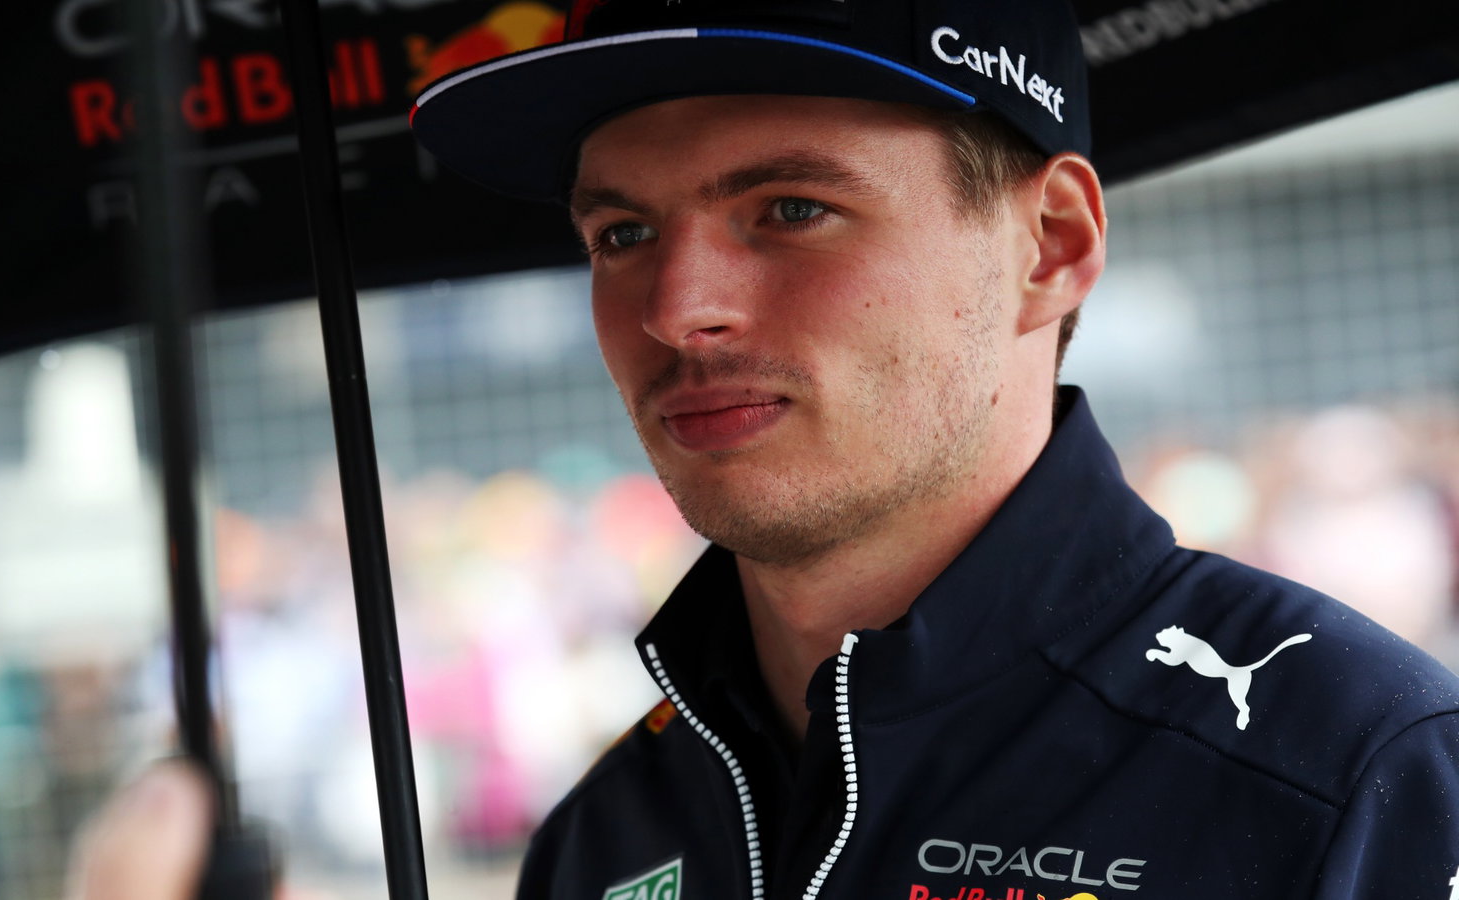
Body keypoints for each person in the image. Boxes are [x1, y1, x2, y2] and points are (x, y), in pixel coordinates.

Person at [71, 0, 1459, 896]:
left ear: (1049, 247)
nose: (677, 309)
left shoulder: (1362, 776)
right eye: (622, 232)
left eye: (791, 209)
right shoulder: (605, 836)